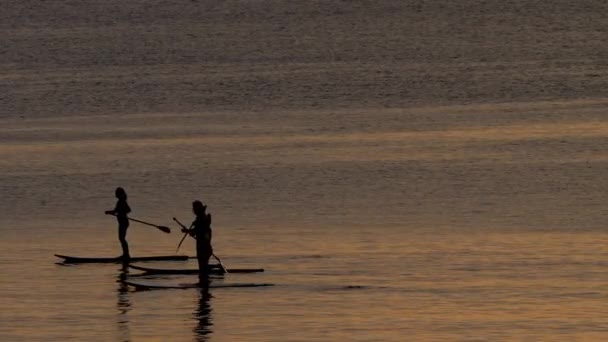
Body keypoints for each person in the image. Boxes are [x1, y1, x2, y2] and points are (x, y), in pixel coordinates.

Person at [182, 200, 213, 285]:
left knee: (203, 267)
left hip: (204, 247)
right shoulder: (201, 218)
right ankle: (204, 283)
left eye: (195, 208)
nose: (193, 210)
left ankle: (204, 283)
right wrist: (189, 231)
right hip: (203, 246)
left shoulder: (202, 219)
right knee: (203, 267)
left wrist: (189, 231)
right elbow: (198, 231)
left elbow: (202, 231)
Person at [105, 187, 131, 259]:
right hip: (122, 222)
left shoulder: (122, 201)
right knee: (121, 238)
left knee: (122, 238)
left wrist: (121, 213)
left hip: (124, 222)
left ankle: (126, 255)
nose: (115, 194)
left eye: (116, 193)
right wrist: (110, 212)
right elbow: (116, 211)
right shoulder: (120, 201)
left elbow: (128, 210)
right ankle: (125, 254)